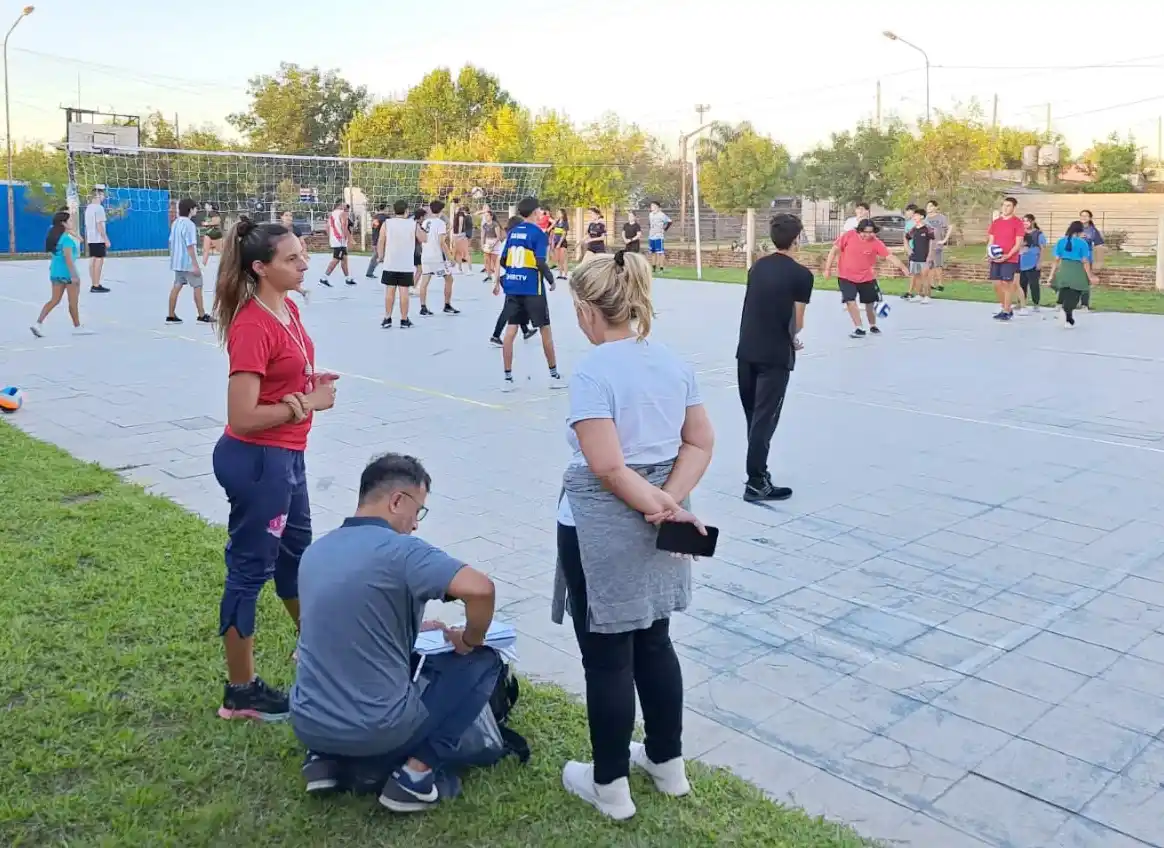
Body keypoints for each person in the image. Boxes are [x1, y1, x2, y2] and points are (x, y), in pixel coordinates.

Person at [552, 249, 714, 821]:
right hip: (665, 516)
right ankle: (668, 765)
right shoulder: (673, 362)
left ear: (585, 309)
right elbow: (699, 442)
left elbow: (608, 467)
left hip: (604, 525)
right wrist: (669, 500)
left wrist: (654, 503)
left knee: (607, 658)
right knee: (655, 640)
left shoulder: (594, 371)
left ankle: (610, 787)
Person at [291, 452, 500, 812]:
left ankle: (322, 762)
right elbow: (481, 589)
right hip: (377, 728)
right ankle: (415, 777)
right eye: (417, 511)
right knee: (483, 661)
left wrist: (414, 625)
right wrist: (469, 640)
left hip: (308, 722)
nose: (415, 524)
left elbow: (342, 617)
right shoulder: (401, 551)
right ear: (397, 501)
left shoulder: (316, 552)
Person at [210, 219, 339, 722]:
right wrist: (306, 403)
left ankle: (314, 646)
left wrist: (307, 379)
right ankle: (240, 692)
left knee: (296, 557)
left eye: (304, 254)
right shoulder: (251, 324)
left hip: (286, 457)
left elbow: (279, 378)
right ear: (261, 268)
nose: (304, 262)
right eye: (292, 258)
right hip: (259, 461)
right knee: (249, 572)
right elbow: (242, 416)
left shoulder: (285, 308)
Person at [735, 214, 811, 503]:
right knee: (764, 421)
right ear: (797, 239)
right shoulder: (802, 275)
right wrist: (792, 337)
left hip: (747, 351)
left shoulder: (757, 267)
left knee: (753, 418)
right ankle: (755, 481)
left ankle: (759, 473)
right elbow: (798, 320)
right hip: (775, 355)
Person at [497, 198, 564, 391]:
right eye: (540, 211)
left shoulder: (512, 233)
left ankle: (507, 379)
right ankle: (553, 375)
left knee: (510, 332)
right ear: (535, 212)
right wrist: (551, 280)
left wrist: (514, 272)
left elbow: (503, 260)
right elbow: (541, 262)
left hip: (513, 287)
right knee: (545, 330)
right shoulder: (538, 234)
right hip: (532, 288)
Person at [823, 218, 909, 339]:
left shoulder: (876, 243)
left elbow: (889, 256)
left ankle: (872, 325)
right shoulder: (848, 236)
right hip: (846, 276)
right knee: (850, 300)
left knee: (869, 303)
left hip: (867, 277)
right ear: (859, 231)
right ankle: (859, 328)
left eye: (871, 232)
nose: (868, 235)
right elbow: (833, 251)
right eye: (865, 232)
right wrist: (827, 269)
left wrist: (903, 267)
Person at [30, 209, 92, 338]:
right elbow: (68, 260)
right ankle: (77, 327)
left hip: (55, 272)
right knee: (73, 302)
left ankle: (38, 323)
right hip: (67, 273)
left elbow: (80, 240)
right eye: (69, 221)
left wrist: (71, 231)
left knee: (54, 300)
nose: (72, 222)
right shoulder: (66, 241)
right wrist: (74, 276)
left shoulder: (55, 237)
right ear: (63, 223)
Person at [489, 214, 535, 347]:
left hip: (510, 277)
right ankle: (495, 335)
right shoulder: (509, 241)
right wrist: (496, 281)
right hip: (508, 278)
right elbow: (498, 262)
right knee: (509, 308)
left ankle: (525, 330)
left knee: (516, 305)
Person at [166, 198, 213, 325]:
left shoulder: (175, 223)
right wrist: (195, 265)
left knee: (177, 286)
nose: (196, 210)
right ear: (190, 210)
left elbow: (171, 241)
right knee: (197, 285)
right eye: (195, 208)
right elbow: (190, 246)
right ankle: (202, 315)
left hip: (177, 262)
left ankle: (170, 315)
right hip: (187, 262)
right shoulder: (189, 225)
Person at [1048, 221, 1097, 329]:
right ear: (1080, 231)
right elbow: (1085, 261)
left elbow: (1056, 260)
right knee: (1075, 294)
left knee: (1065, 291)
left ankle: (1065, 311)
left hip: (1064, 270)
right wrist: (1090, 276)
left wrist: (1051, 276)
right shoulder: (1082, 243)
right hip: (1077, 271)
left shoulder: (1061, 242)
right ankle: (1068, 313)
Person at [379, 200, 419, 329]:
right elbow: (424, 238)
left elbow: (381, 240)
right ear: (406, 211)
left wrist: (380, 256)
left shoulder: (387, 223)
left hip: (391, 262)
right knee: (404, 292)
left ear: (394, 210)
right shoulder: (412, 224)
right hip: (405, 263)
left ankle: (387, 318)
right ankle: (404, 319)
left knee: (389, 292)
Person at [417, 199, 460, 316]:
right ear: (441, 211)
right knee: (449, 279)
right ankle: (447, 305)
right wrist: (450, 257)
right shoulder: (440, 223)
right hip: (437, 258)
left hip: (425, 255)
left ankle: (423, 307)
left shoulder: (425, 222)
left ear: (430, 209)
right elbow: (442, 242)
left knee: (424, 281)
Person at [987, 196, 1025, 321]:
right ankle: (1005, 307)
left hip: (1010, 258)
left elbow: (1018, 243)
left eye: (1008, 205)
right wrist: (990, 253)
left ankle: (1006, 311)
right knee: (996, 284)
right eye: (1004, 205)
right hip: (996, 258)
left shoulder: (1017, 222)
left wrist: (1007, 255)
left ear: (1014, 208)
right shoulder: (996, 222)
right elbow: (991, 240)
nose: (1005, 207)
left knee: (1006, 284)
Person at [320, 199, 356, 288]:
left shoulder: (332, 214)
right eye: (345, 204)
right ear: (341, 204)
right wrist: (349, 239)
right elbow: (345, 227)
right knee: (336, 259)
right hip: (340, 240)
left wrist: (331, 238)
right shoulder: (343, 213)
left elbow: (327, 227)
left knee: (344, 259)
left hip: (335, 239)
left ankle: (348, 278)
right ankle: (324, 278)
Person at [903, 208, 936, 304]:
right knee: (916, 276)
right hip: (915, 256)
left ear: (922, 216)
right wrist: (908, 249)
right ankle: (918, 295)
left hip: (924, 256)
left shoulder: (927, 228)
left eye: (916, 215)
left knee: (925, 276)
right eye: (913, 216)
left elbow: (932, 242)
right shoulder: (913, 229)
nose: (914, 217)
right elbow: (906, 237)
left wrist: (930, 255)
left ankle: (927, 296)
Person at [84, 187, 111, 294]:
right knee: (99, 261)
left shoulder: (88, 208)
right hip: (98, 239)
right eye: (103, 195)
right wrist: (106, 239)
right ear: (98, 195)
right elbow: (99, 226)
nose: (104, 197)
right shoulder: (99, 208)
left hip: (91, 238)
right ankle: (96, 285)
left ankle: (94, 283)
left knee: (93, 260)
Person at [1018, 214, 1047, 313]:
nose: (1025, 223)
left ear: (1032, 221)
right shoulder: (1020, 233)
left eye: (1027, 221)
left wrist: (1040, 262)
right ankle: (1021, 303)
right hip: (1021, 262)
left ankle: (1036, 303)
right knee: (1021, 284)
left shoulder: (1038, 234)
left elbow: (1042, 249)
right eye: (1023, 221)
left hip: (1033, 262)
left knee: (1034, 284)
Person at [1078, 209, 1104, 308]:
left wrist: (1099, 262)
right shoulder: (1075, 228)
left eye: (1086, 216)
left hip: (1086, 258)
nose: (1083, 217)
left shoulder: (1093, 230)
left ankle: (1084, 304)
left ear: (1090, 218)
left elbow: (1099, 245)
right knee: (1073, 280)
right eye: (1082, 215)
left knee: (1085, 280)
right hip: (1074, 258)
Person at [925, 199, 952, 292]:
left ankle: (940, 284)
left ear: (936, 207)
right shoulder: (925, 218)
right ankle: (932, 284)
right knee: (930, 265)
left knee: (938, 265)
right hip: (928, 246)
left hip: (937, 245)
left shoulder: (941, 217)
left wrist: (944, 240)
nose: (929, 208)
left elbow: (950, 227)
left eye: (931, 206)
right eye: (928, 206)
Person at [366, 203, 391, 278]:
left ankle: (370, 272)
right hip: (383, 240)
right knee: (380, 257)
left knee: (378, 256)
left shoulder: (375, 217)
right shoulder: (386, 218)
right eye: (387, 208)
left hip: (375, 239)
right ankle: (370, 272)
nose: (388, 210)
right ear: (385, 208)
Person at [647, 201, 672, 272]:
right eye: (651, 205)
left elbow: (670, 221)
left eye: (652, 205)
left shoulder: (662, 215)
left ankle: (661, 269)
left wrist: (664, 229)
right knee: (653, 253)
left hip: (659, 237)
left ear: (657, 207)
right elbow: (650, 224)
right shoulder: (650, 214)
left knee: (660, 253)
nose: (651, 207)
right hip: (651, 236)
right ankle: (653, 268)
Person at [480, 209, 503, 283]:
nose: (486, 217)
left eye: (487, 215)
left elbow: (498, 236)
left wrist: (493, 245)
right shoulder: (485, 225)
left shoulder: (495, 224)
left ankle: (496, 275)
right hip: (487, 241)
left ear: (491, 216)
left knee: (494, 259)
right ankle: (489, 275)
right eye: (485, 216)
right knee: (487, 259)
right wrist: (482, 244)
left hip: (494, 242)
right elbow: (482, 235)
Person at [451, 199, 473, 274]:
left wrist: (459, 235)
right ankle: (459, 269)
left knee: (465, 252)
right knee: (458, 253)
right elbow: (454, 224)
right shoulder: (456, 213)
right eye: (452, 204)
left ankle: (470, 270)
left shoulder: (460, 213)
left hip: (460, 235)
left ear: (456, 205)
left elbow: (460, 224)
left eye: (454, 204)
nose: (453, 205)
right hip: (456, 234)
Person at [200, 203, 224, 268]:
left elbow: (217, 221)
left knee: (220, 250)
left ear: (210, 206)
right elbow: (209, 223)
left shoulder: (213, 213)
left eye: (206, 205)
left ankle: (226, 263)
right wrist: (205, 224)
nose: (205, 206)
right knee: (206, 250)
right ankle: (203, 265)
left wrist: (206, 223)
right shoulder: (208, 213)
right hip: (210, 233)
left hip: (215, 233)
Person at [552, 208, 570, 279]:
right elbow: (554, 233)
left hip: (562, 243)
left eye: (559, 213)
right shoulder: (556, 222)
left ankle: (565, 274)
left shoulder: (565, 223)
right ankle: (560, 273)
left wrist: (559, 243)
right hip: (556, 242)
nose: (558, 214)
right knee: (559, 259)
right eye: (557, 213)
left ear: (563, 214)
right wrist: (553, 242)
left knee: (564, 258)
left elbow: (564, 234)